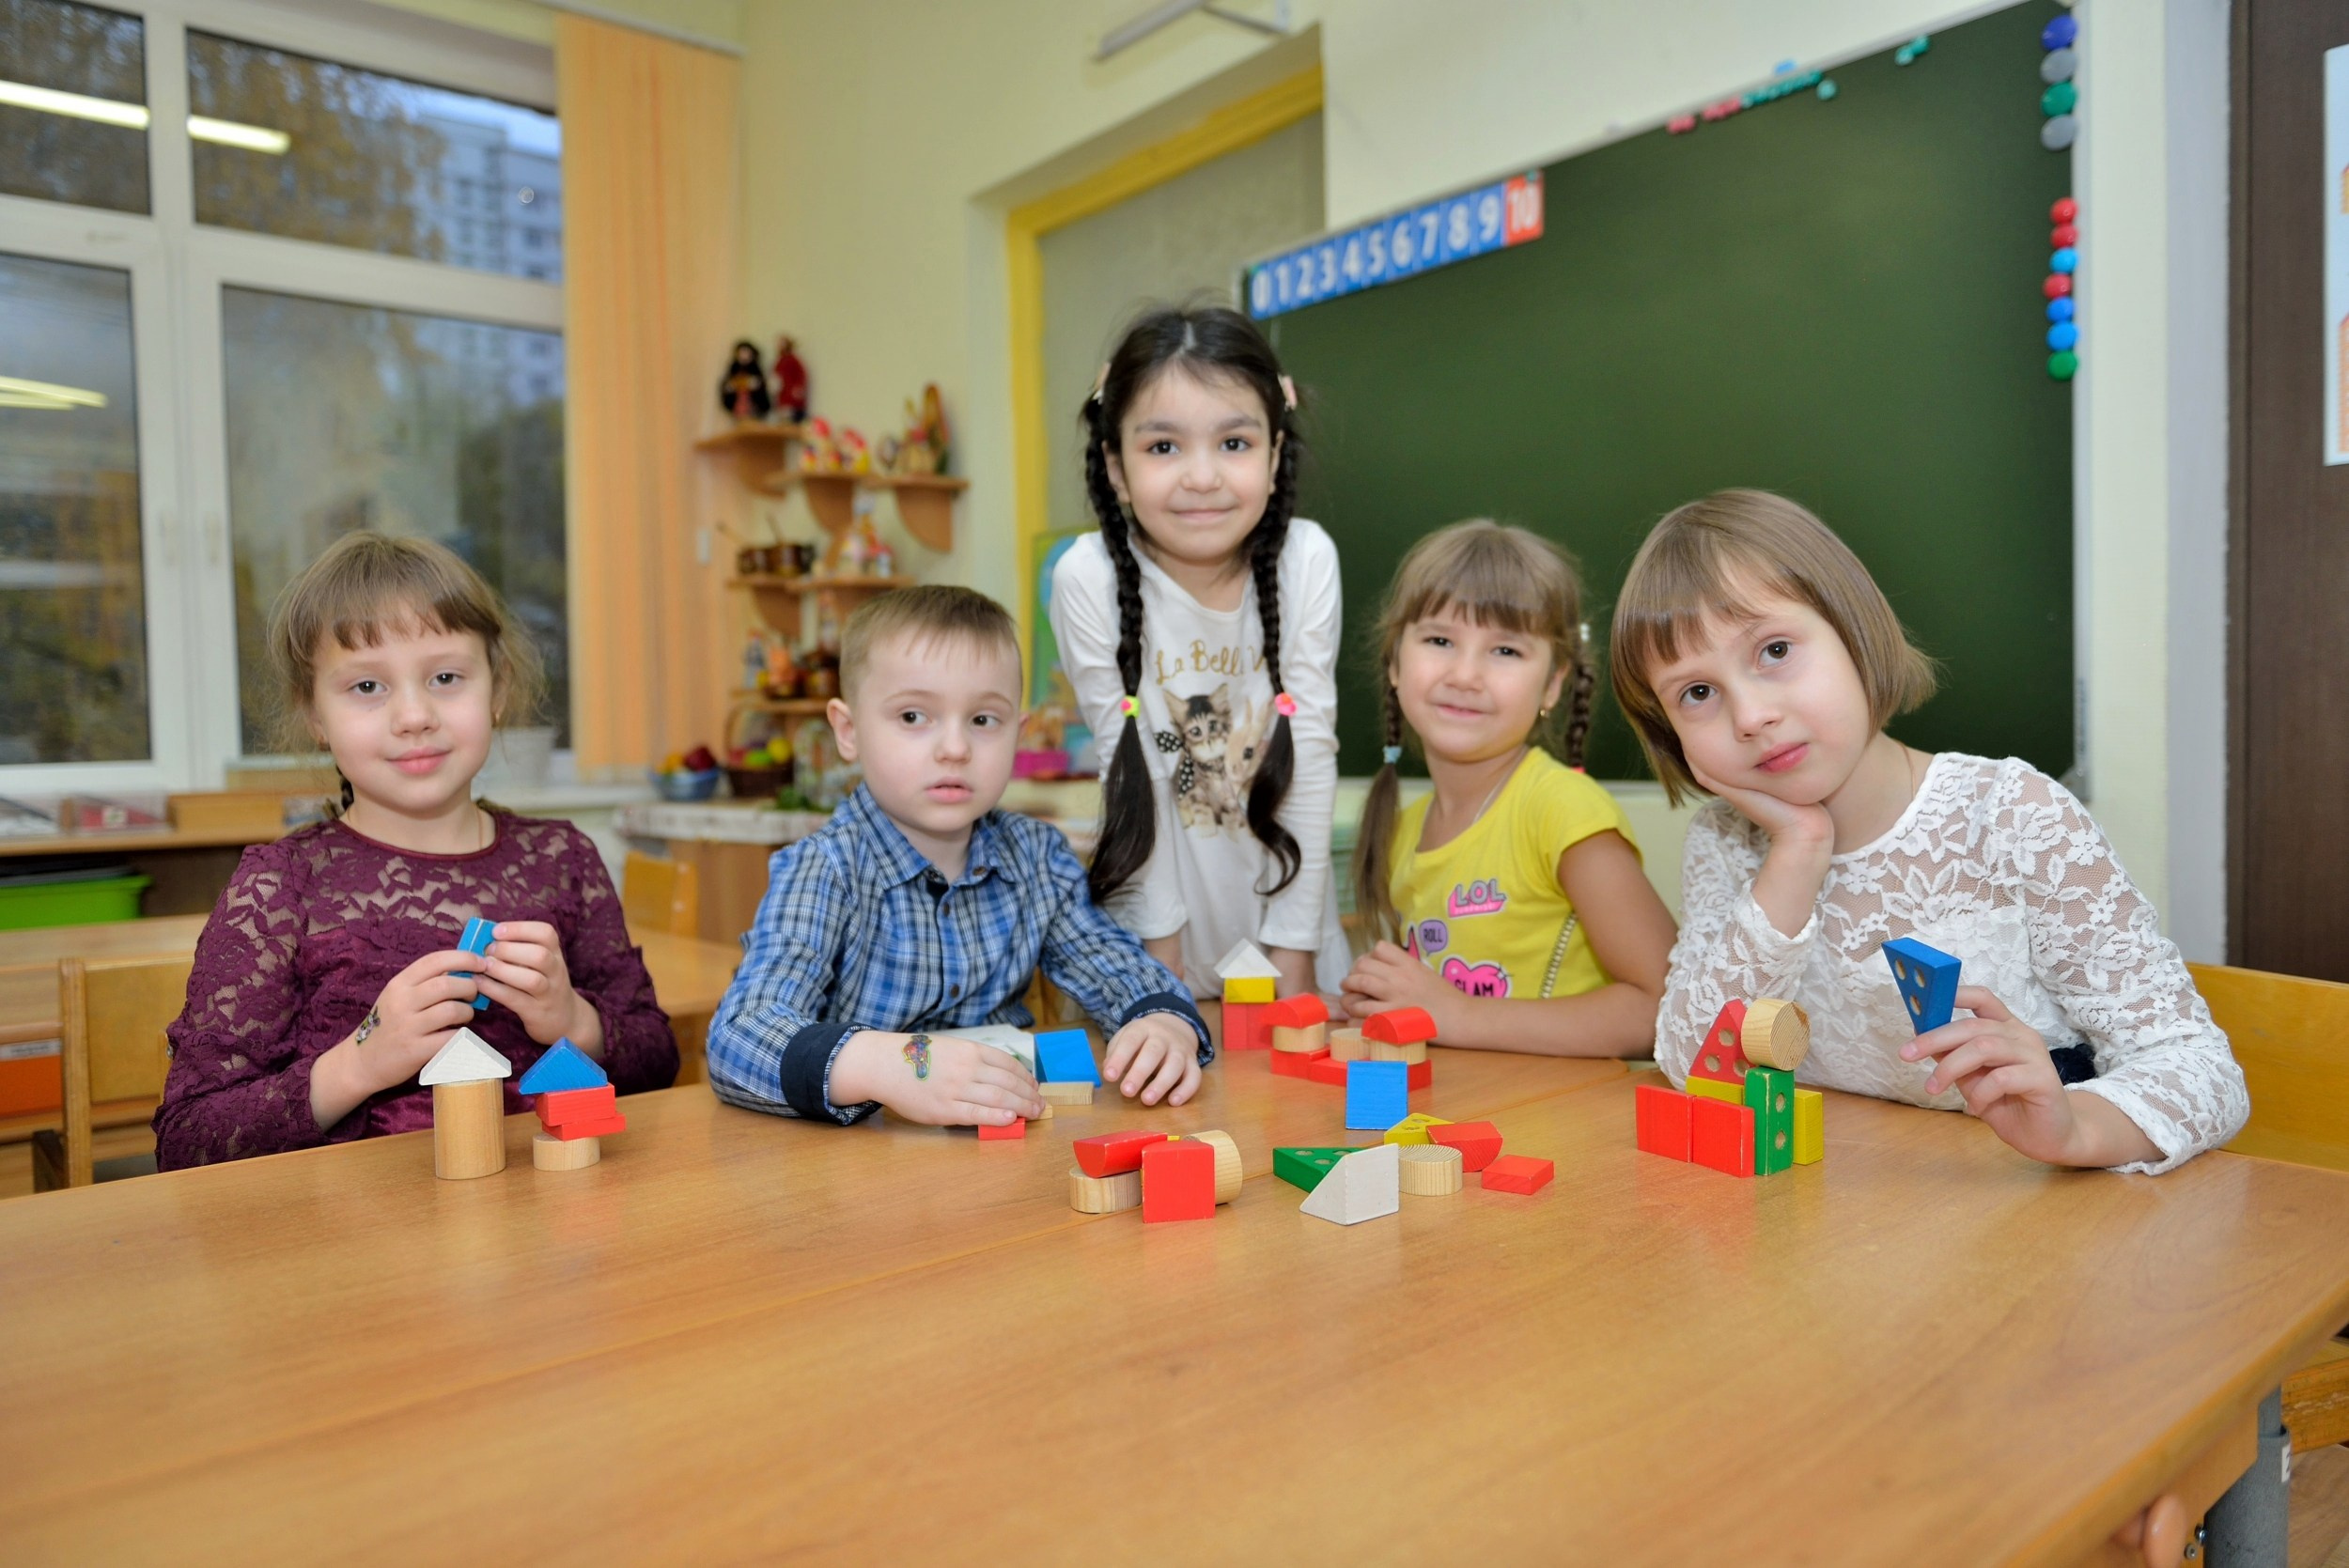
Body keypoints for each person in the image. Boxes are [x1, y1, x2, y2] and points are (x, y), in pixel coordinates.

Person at [1610, 489, 2247, 1173]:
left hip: (2036, 1214)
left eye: (1774, 649)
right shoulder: (1727, 843)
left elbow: (2201, 1067)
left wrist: (2076, 1129)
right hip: (1845, 1223)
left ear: (1853, 631)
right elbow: (1689, 1062)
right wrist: (1798, 852)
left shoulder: (2012, 813)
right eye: (1696, 693)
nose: (1751, 715)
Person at [154, 532, 676, 1169]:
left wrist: (574, 1019)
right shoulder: (280, 886)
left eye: (446, 677)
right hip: (360, 1249)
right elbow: (189, 1139)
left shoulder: (563, 859)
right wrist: (361, 1060)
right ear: (314, 714)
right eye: (367, 687)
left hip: (549, 1232)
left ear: (498, 688)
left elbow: (658, 1062)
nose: (414, 715)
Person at [708, 585, 1211, 1126]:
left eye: (982, 721)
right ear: (848, 732)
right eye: (912, 717)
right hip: (854, 1170)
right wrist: (897, 1065)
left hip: (1007, 1146)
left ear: (1015, 735)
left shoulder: (1036, 856)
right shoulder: (825, 868)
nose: (955, 748)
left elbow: (1114, 967)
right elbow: (740, 1034)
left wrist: (1161, 1021)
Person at [1050, 302, 1350, 1001]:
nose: (1202, 476)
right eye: (1163, 447)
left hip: (1290, 929)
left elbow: (1308, 749)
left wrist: (1294, 954)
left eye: (1234, 443)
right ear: (1116, 468)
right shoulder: (1087, 576)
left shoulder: (1305, 558)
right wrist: (1163, 966)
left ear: (1275, 456)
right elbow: (1133, 769)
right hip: (1156, 938)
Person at [1341, 520, 1677, 1053]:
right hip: (1456, 1121)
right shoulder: (1405, 827)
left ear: (1553, 683)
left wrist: (1456, 1014)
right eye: (1439, 640)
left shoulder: (1563, 810)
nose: (1465, 674)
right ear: (1394, 662)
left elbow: (1667, 1007)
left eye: (1505, 652)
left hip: (1557, 1125)